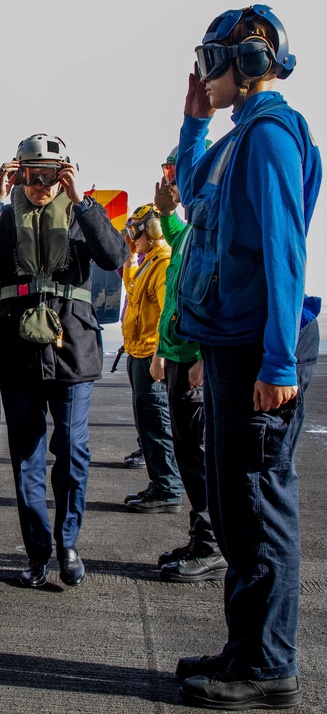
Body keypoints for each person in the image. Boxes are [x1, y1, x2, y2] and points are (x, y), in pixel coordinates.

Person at [173, 6, 321, 709]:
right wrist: (194, 118)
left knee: (257, 508)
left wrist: (278, 364)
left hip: (262, 349)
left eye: (213, 59)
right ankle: (244, 649)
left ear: (250, 62)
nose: (205, 72)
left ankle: (267, 667)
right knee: (235, 510)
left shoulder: (269, 137)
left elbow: (283, 251)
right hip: (231, 346)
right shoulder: (236, 137)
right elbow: (191, 191)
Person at [0, 134, 125, 588]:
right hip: (16, 353)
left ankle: (68, 542)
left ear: (64, 174)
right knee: (27, 457)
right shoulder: (5, 217)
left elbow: (114, 256)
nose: (39, 183)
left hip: (71, 348)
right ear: (17, 173)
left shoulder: (79, 214)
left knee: (72, 450)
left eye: (49, 174)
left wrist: (83, 200)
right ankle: (37, 552)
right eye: (30, 174)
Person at [150, 149, 226, 584]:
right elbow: (178, 236)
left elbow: (213, 289)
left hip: (193, 356)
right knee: (186, 450)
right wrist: (165, 210)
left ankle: (213, 545)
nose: (169, 181)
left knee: (199, 454)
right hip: (177, 354)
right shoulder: (189, 230)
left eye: (175, 174)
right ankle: (201, 537)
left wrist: (198, 354)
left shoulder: (213, 224)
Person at [120, 204, 184, 513]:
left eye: (135, 230)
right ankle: (159, 483)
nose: (132, 235)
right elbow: (133, 291)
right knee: (146, 422)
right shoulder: (147, 263)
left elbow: (166, 312)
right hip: (138, 352)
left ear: (152, 230)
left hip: (150, 356)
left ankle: (168, 488)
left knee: (156, 422)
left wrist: (160, 353)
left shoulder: (164, 263)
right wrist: (131, 257)